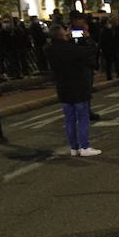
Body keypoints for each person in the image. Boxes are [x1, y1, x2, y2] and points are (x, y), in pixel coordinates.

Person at [46, 24, 101, 157]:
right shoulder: (71, 49)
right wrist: (87, 39)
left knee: (69, 119)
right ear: (62, 35)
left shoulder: (49, 50)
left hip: (63, 88)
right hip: (78, 87)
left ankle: (74, 147)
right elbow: (89, 52)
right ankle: (85, 147)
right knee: (83, 118)